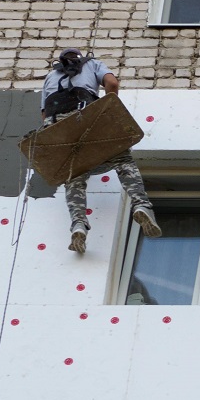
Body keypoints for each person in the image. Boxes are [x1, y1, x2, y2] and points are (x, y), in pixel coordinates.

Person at [39, 48, 160, 254]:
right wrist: (109, 110)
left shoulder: (51, 75)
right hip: (85, 116)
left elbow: (44, 115)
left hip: (57, 126)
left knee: (74, 174)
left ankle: (78, 224)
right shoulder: (92, 64)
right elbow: (112, 84)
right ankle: (141, 205)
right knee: (122, 158)